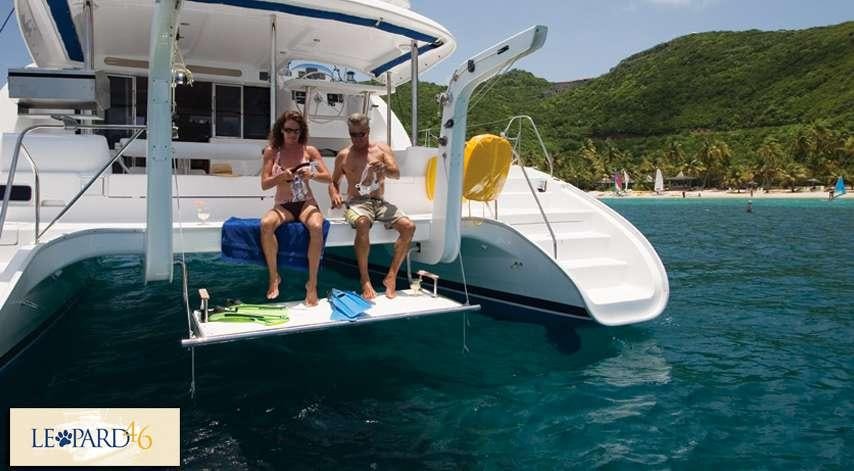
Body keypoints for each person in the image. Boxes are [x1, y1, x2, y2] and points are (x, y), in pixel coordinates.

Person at [328, 113, 415, 299]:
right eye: (353, 134)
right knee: (362, 223)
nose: (358, 138)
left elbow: (396, 174)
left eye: (362, 134)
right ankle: (365, 279)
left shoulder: (381, 149)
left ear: (368, 131)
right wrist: (335, 194)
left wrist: (383, 168)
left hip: (379, 202)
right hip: (357, 203)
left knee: (409, 227)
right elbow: (333, 182)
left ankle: (391, 276)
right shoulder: (344, 155)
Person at [260, 111, 332, 305]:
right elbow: (265, 184)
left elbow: (328, 177)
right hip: (283, 205)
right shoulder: (272, 152)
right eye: (288, 130)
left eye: (297, 131)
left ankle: (312, 284)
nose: (292, 134)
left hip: (306, 203)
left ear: (302, 131)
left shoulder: (309, 151)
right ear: (281, 130)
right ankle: (274, 277)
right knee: (266, 224)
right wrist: (280, 177)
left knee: (316, 227)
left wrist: (312, 174)